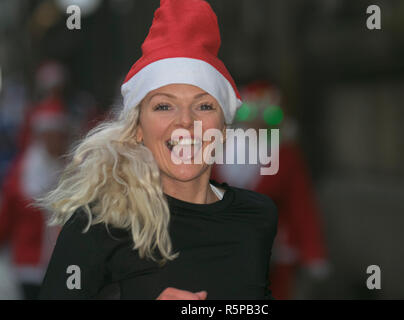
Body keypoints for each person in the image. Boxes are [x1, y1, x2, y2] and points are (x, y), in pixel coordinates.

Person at [35, 0, 278, 300]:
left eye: (204, 105)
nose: (186, 122)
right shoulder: (98, 225)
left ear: (223, 128)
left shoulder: (257, 216)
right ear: (138, 129)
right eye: (164, 105)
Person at [212, 80, 329, 299]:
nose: (257, 121)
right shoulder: (216, 150)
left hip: (275, 251)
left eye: (268, 114)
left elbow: (301, 205)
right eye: (251, 112)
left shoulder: (286, 154)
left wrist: (313, 253)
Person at [0, 96, 69, 299]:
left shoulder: (72, 168)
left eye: (58, 135)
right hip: (29, 263)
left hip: (64, 263)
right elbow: (8, 214)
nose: (54, 141)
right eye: (49, 135)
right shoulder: (24, 171)